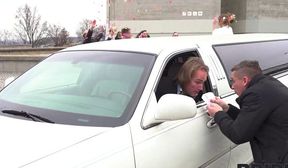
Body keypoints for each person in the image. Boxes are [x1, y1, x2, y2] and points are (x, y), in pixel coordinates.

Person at [207, 60, 288, 164]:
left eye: (233, 81)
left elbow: (238, 135)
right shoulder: (267, 84)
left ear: (245, 80)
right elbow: (250, 120)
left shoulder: (255, 94)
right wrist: (227, 108)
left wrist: (218, 114)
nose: (232, 86)